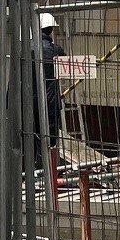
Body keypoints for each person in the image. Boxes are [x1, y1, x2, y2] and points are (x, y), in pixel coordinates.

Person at [38, 11, 65, 152]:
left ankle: (33, 172)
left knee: (33, 139)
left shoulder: (27, 48)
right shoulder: (56, 51)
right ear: (51, 31)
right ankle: (49, 171)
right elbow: (68, 68)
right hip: (51, 102)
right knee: (50, 142)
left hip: (31, 103)